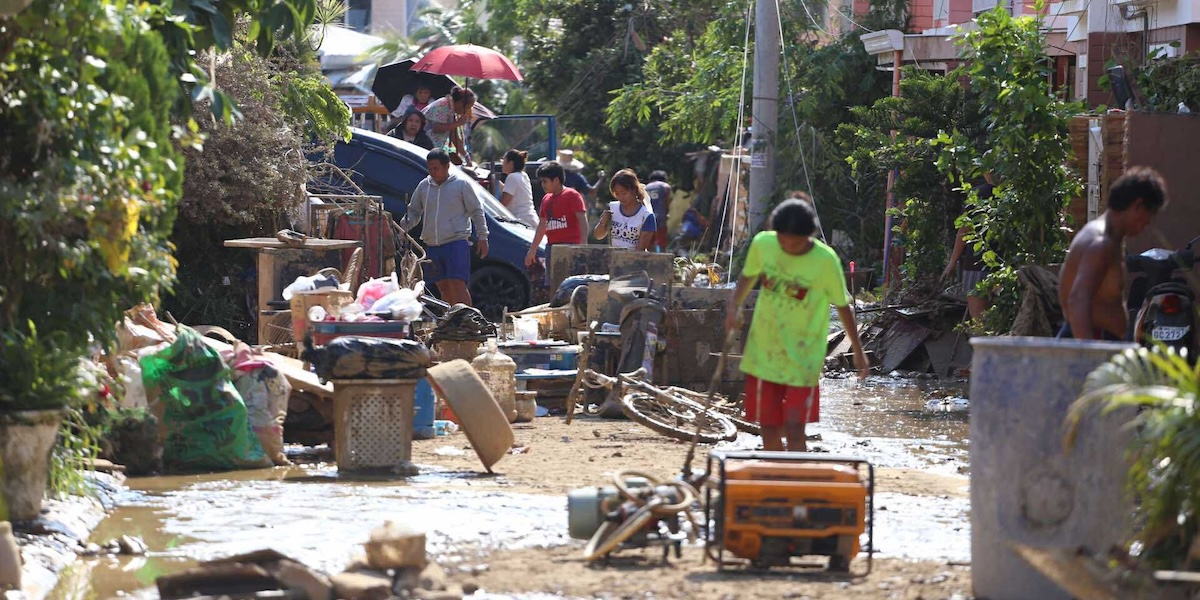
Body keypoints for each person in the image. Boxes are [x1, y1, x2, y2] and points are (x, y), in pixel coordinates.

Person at [725, 198, 869, 452]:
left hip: (804, 356)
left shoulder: (826, 260)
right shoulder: (764, 244)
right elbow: (748, 275)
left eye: (796, 240)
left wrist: (857, 350)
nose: (788, 245)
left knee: (794, 427)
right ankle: (775, 480)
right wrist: (734, 305)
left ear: (809, 235)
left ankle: (796, 478)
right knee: (767, 426)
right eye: (783, 239)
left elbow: (842, 306)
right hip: (765, 352)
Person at [1058, 166, 1167, 340]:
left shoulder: (1110, 239)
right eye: (1149, 215)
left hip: (1100, 341)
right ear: (1138, 205)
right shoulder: (1100, 245)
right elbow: (1078, 300)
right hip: (1092, 342)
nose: (1147, 224)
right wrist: (1088, 356)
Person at [398, 148, 489, 307]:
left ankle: (467, 323)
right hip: (432, 245)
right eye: (430, 168)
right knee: (443, 288)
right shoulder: (424, 186)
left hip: (456, 243)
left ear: (447, 166)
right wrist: (403, 227)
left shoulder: (461, 185)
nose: (432, 172)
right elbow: (414, 211)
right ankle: (451, 323)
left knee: (457, 285)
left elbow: (476, 211)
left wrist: (483, 237)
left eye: (436, 168)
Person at [941, 176, 994, 320]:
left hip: (977, 265)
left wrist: (952, 263)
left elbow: (964, 230)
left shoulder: (979, 194)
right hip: (1005, 264)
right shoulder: (1014, 197)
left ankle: (981, 341)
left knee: (979, 320)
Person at [525, 161, 588, 270]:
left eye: (545, 181)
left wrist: (583, 246)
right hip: (552, 248)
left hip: (571, 247)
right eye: (541, 181)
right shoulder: (546, 199)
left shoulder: (572, 195)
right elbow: (542, 226)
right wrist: (532, 249)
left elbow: (582, 220)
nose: (542, 185)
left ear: (556, 180)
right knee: (552, 283)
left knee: (571, 282)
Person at [593, 168, 656, 251]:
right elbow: (598, 236)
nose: (620, 197)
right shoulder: (612, 209)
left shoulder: (646, 216)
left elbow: (640, 249)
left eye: (624, 193)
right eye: (617, 193)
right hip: (614, 258)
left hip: (634, 260)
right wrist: (602, 223)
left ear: (634, 190)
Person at [423, 87, 475, 164]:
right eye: (467, 108)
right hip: (424, 145)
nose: (467, 111)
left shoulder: (452, 110)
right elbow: (436, 128)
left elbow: (454, 136)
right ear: (460, 103)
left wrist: (466, 156)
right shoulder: (443, 105)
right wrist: (458, 123)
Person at [500, 149, 538, 228]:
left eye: (504, 160)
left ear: (510, 163)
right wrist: (496, 182)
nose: (502, 163)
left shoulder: (512, 177)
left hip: (522, 221)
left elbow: (504, 202)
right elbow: (511, 191)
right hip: (531, 219)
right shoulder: (523, 175)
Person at [644, 170, 672, 252]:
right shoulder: (665, 186)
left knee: (648, 242)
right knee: (662, 241)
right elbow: (666, 201)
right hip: (660, 215)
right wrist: (667, 212)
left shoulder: (646, 187)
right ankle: (663, 258)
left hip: (647, 216)